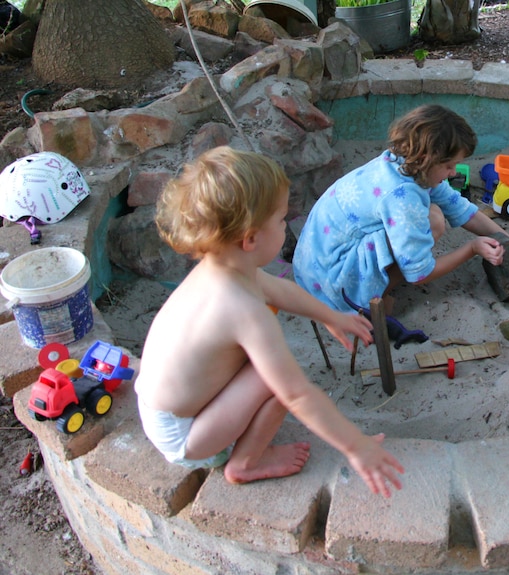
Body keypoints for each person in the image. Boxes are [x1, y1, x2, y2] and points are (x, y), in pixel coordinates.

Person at [135, 146, 404, 496]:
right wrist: (356, 446)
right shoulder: (243, 309)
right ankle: (245, 463)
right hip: (186, 435)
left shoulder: (223, 270)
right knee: (278, 380)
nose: (285, 225)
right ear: (250, 239)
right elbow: (297, 395)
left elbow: (278, 290)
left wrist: (332, 316)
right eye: (280, 220)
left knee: (268, 370)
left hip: (165, 406)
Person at [293, 104, 509, 315]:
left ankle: (373, 284)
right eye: (449, 166)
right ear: (426, 159)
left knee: (432, 214)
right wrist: (471, 249)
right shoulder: (402, 197)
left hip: (313, 266)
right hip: (332, 287)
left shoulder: (402, 163)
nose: (453, 173)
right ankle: (368, 300)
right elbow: (420, 274)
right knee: (432, 221)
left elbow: (462, 209)